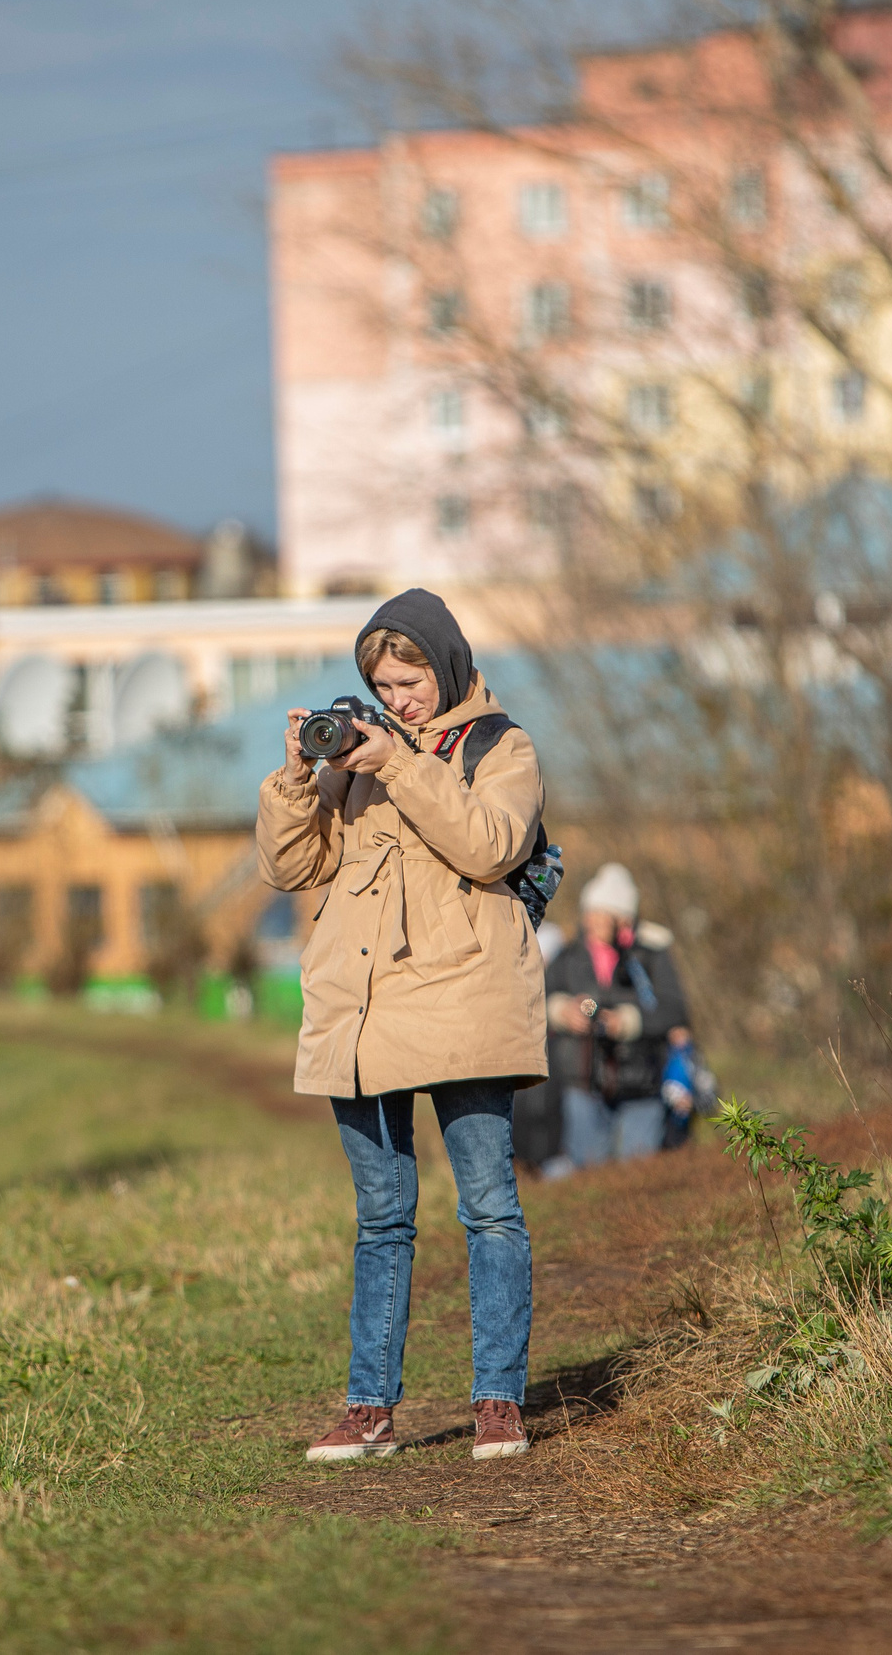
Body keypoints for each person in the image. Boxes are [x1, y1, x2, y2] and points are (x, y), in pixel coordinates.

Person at [256, 587, 546, 1464]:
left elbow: (492, 844)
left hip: (466, 1000)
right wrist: (299, 779)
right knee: (381, 1218)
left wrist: (404, 763)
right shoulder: (357, 758)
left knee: (489, 1208)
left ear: (444, 664)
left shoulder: (503, 745)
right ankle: (369, 1408)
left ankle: (498, 1400)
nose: (397, 701)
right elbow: (291, 866)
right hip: (364, 1009)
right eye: (382, 685)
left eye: (409, 680)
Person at [544, 863, 692, 1169]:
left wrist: (628, 1022)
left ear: (623, 918)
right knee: (588, 1173)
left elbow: (675, 1010)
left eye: (602, 913)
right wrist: (562, 1011)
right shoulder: (569, 955)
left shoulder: (651, 955)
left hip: (641, 1081)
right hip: (582, 1082)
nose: (592, 921)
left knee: (638, 1171)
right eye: (590, 912)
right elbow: (540, 998)